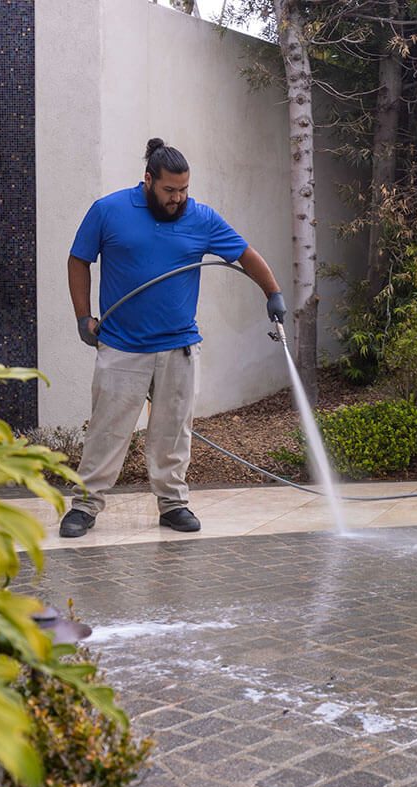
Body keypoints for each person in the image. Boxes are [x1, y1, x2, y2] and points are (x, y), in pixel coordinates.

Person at [59, 138, 286, 538]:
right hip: (121, 346)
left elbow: (245, 255)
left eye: (183, 189)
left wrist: (273, 294)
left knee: (173, 432)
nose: (177, 198)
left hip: (178, 346)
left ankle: (173, 504)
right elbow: (79, 259)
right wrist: (83, 318)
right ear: (148, 180)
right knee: (107, 431)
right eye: (169, 190)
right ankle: (85, 505)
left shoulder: (201, 218)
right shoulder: (109, 211)